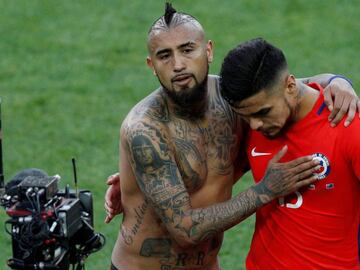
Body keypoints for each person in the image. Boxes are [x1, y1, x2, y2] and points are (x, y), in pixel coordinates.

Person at [106, 4, 359, 270]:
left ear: (208, 50)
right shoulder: (145, 130)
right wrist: (265, 190)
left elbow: (285, 88)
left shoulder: (235, 102)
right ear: (152, 65)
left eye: (187, 49)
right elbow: (185, 231)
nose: (178, 64)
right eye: (164, 56)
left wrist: (338, 81)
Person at [220, 37, 360, 269]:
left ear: (291, 87)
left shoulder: (345, 126)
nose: (255, 125)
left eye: (264, 112)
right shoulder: (254, 126)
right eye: (247, 116)